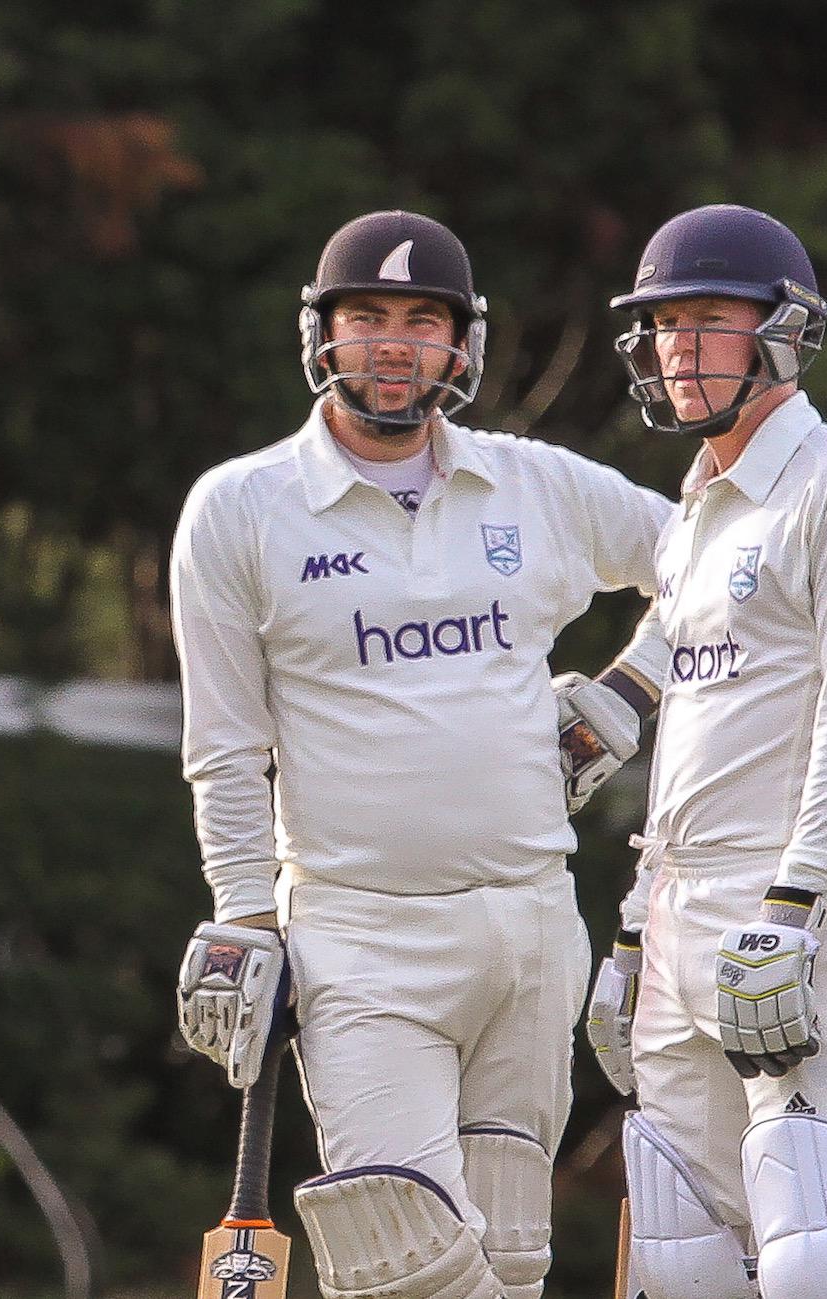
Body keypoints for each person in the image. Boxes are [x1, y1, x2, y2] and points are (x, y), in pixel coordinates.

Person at [168, 209, 673, 1299]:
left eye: (420, 320)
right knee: (403, 1267)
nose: (393, 344)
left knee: (511, 1260)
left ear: (461, 343)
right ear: (323, 333)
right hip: (359, 940)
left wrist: (631, 691)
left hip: (531, 926)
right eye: (367, 316)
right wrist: (244, 912)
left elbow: (713, 565)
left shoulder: (535, 486)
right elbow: (225, 744)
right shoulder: (242, 510)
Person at [574, 204, 827, 1299]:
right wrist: (637, 927)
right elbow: (687, 721)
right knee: (688, 1266)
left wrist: (794, 905)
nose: (678, 347)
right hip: (679, 917)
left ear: (784, 330)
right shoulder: (697, 510)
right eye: (663, 324)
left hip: (790, 910)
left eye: (707, 320)